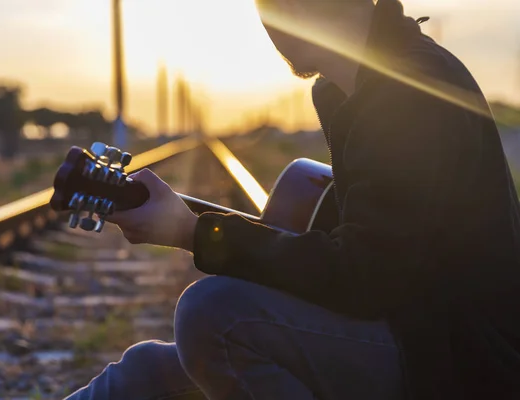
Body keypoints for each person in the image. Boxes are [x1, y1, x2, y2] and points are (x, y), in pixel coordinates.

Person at [65, 0, 520, 399]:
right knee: (148, 370)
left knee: (218, 315)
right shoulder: (349, 88)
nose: (275, 15)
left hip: (453, 362)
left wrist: (190, 231)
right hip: (409, 329)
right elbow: (366, 250)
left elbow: (365, 278)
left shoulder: (410, 89)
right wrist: (194, 224)